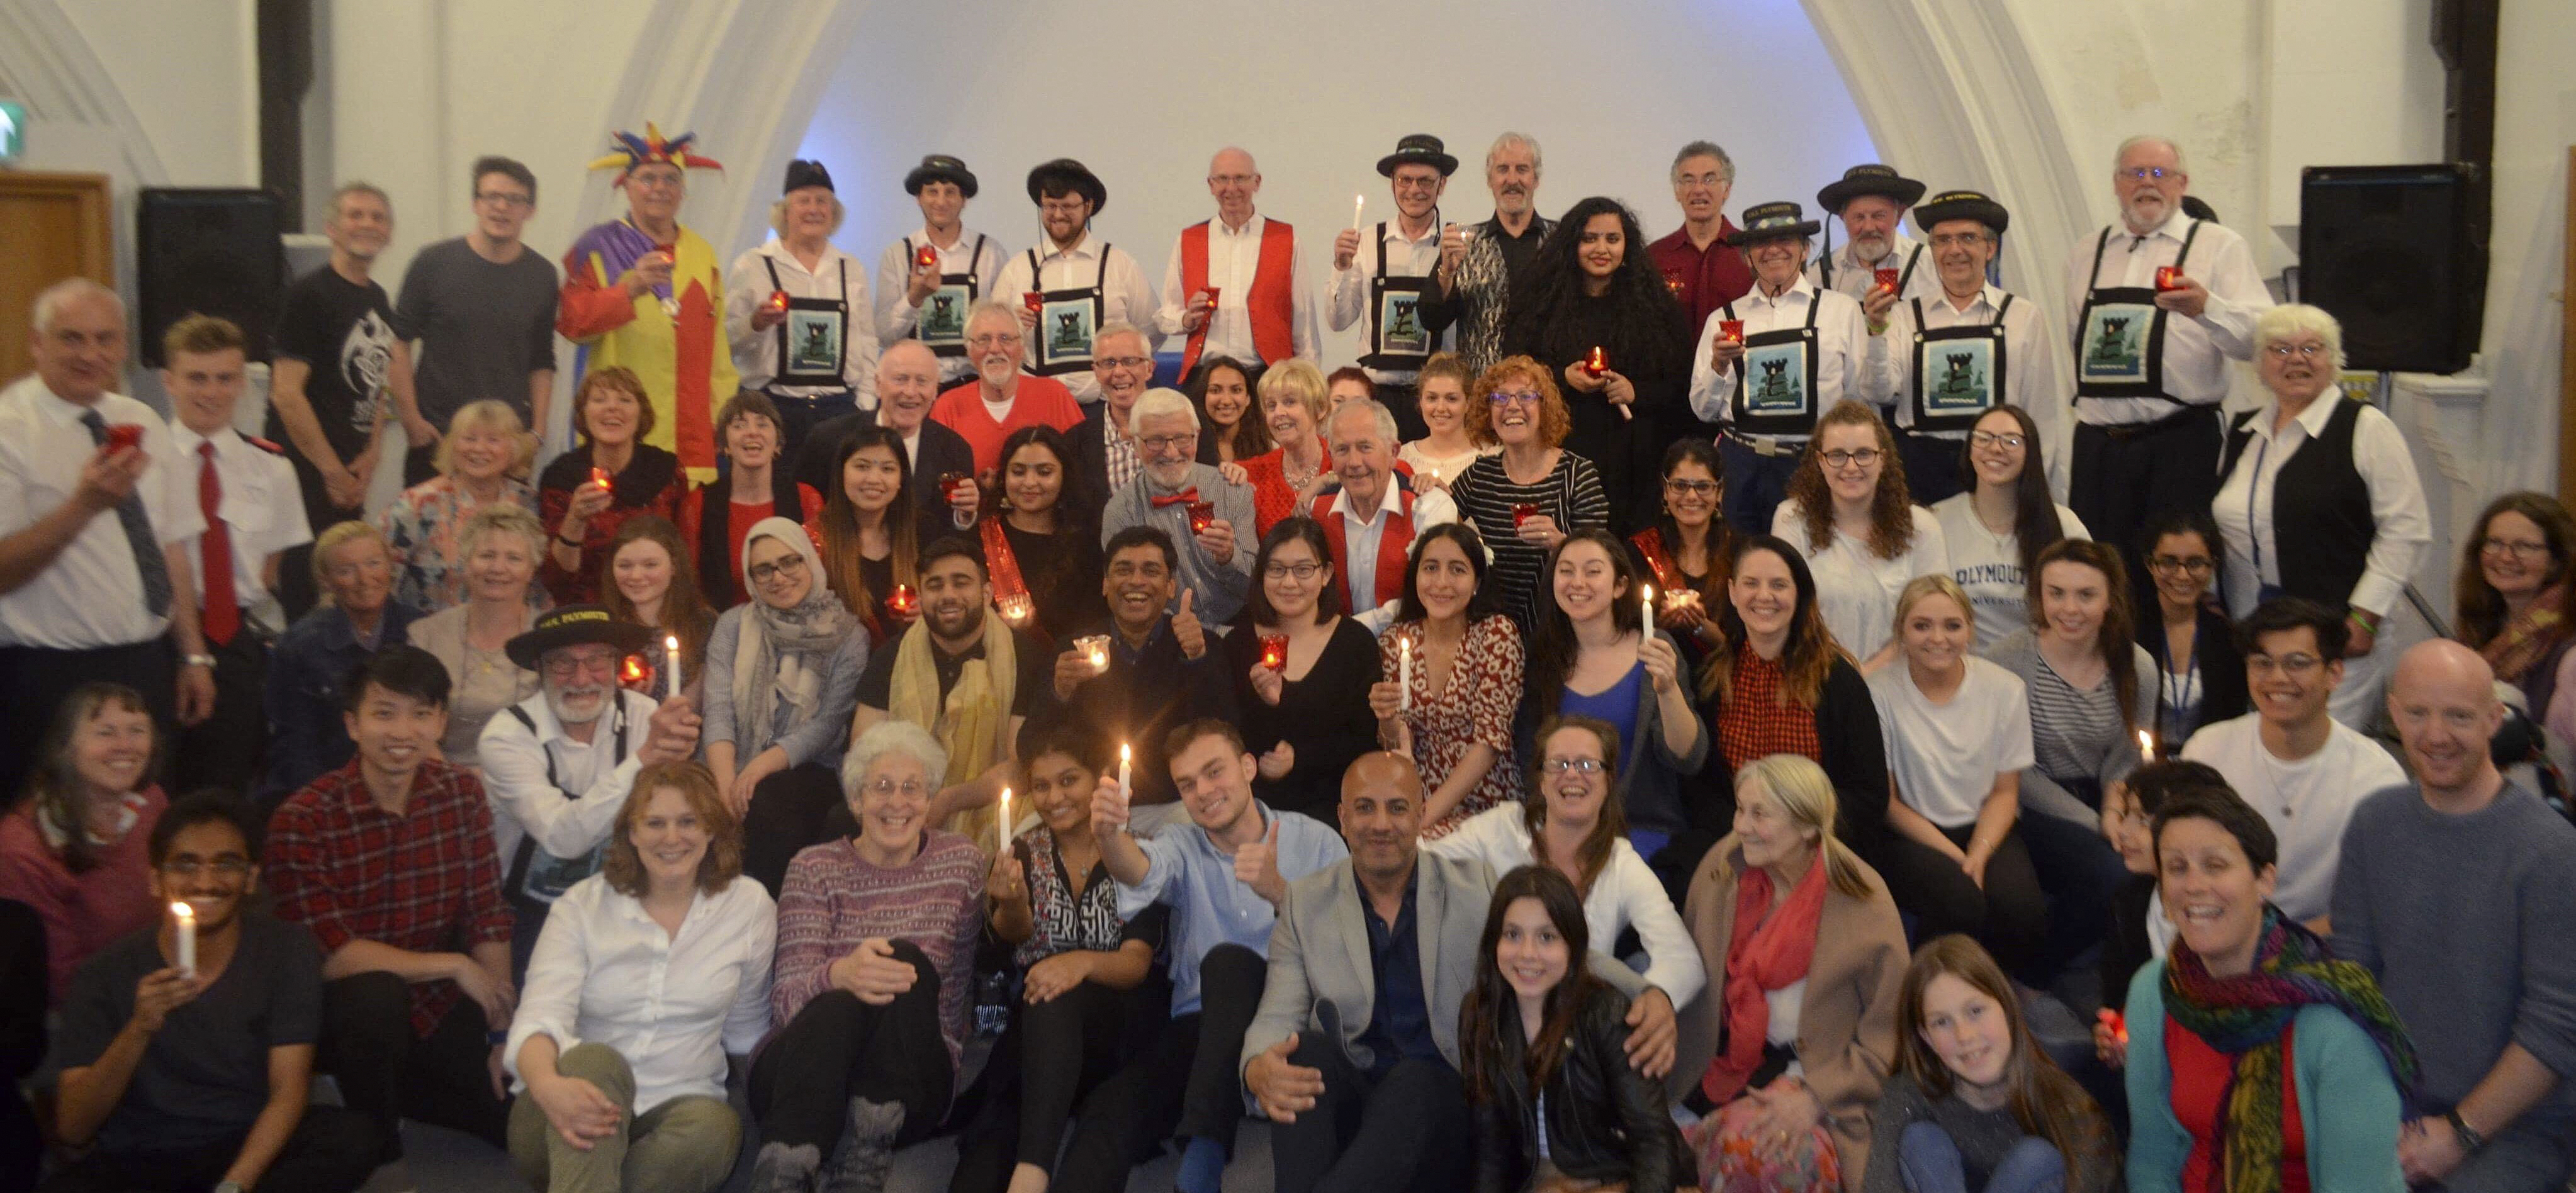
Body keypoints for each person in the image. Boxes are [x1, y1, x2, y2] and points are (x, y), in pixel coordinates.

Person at [1240, 752, 1673, 1193]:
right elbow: (1277, 1013)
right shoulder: (1305, 901)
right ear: (1342, 818)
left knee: (1413, 1080)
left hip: (1444, 1103)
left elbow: (1554, 944)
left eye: (1397, 807)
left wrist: (1647, 992)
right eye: (1364, 807)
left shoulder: (1473, 885)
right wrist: (1257, 1066)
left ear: (1422, 814)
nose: (1381, 824)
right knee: (1300, 1056)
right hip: (1361, 1096)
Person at [2332, 639, 2576, 1193]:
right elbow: (2352, 984)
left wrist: (2459, 1134)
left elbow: (2557, 1026)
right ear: (2393, 713)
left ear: (2494, 720)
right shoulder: (2374, 824)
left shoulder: (2551, 851)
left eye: (2459, 716)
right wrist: (2367, 1112)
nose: (2435, 735)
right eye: (2417, 713)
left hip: (2517, 1128)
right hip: (2394, 1107)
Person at [42, 795, 380, 1193]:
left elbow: (289, 1089)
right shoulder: (104, 974)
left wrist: (235, 1184)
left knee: (352, 1137)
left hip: (245, 1142)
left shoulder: (286, 949)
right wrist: (139, 1028)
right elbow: (73, 1127)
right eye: (186, 865)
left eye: (226, 864)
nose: (205, 883)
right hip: (143, 1155)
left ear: (251, 879)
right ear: (155, 880)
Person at [1069, 719, 1348, 1193]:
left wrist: (1282, 895)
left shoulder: (1315, 840)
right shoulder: (1181, 844)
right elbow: (1139, 871)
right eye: (1187, 784)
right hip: (1199, 1031)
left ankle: (1200, 1168)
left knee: (1229, 964)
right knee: (1109, 1109)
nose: (1202, 791)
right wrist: (1109, 836)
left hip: (1293, 1024)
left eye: (1214, 772)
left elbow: (1348, 951)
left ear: (1246, 768)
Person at [264, 645, 516, 1158]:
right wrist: (452, 964)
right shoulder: (304, 817)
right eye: (384, 714)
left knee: (509, 1110)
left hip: (437, 1000)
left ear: (441, 723)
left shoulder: (461, 796)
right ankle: (376, 1142)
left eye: (421, 715)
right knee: (375, 997)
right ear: (353, 724)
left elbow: (487, 914)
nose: (403, 733)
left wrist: (501, 1027)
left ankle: (404, 1094)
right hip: (346, 1008)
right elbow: (329, 954)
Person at [2125, 785, 2413, 1193]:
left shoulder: (2335, 1022)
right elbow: (2151, 1158)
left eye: (2215, 865)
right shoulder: (2154, 992)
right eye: (2176, 867)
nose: (2193, 885)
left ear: (2263, 880)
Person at [505, 763, 772, 1193]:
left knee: (717, 1131)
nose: (672, 838)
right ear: (631, 832)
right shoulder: (582, 906)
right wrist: (548, 1085)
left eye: (688, 822)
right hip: (564, 1108)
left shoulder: (749, 906)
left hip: (681, 1109)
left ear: (711, 831)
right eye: (655, 823)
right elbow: (539, 1018)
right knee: (598, 1061)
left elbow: (747, 1029)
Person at [746, 720, 984, 1193]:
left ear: (929, 800)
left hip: (909, 1086)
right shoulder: (814, 869)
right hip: (803, 1077)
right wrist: (841, 974)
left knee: (905, 961)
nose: (897, 802)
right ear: (855, 801)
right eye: (880, 787)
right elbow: (788, 1002)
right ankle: (783, 1173)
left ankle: (863, 1160)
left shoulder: (962, 862)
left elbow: (953, 997)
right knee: (839, 1001)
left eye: (911, 788)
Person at [0, 279, 214, 795]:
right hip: (46, 675)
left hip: (145, 665)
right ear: (37, 343)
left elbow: (172, 546)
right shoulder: (10, 428)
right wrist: (82, 507)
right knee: (47, 839)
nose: (91, 354)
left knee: (144, 827)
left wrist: (192, 655)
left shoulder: (139, 420)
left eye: (106, 339)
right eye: (72, 338)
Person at [945, 731, 1167, 1193]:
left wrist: (1079, 964)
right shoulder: (1021, 854)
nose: (1054, 798)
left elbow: (1136, 965)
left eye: (1069, 780)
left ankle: (1033, 1171)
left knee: (1053, 991)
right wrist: (1012, 905)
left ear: (1101, 781)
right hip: (1039, 1038)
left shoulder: (1140, 853)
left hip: (1118, 1032)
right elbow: (1011, 943)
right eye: (1041, 786)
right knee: (985, 1155)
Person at [1676, 753, 1908, 1193]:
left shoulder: (1863, 900)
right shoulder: (1723, 868)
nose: (1740, 826)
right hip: (1720, 1063)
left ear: (1807, 826)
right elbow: (1685, 971)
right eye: (1740, 809)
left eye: (1759, 814)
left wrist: (1816, 1095)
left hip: (1816, 1075)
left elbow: (1891, 1036)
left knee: (1770, 1156)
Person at [2064, 135, 2273, 584]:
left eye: (2158, 174)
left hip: (2178, 444)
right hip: (2100, 449)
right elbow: (2074, 340)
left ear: (2182, 183)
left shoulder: (2218, 245)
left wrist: (2208, 309)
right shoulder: (2087, 251)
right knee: (2098, 579)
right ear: (2116, 184)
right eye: (2134, 173)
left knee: (2179, 581)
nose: (2146, 184)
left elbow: (2261, 340)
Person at [2213, 303, 2430, 729]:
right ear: (2259, 365)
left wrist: (2364, 615)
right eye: (2280, 349)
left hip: (2335, 638)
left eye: (2311, 348)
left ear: (2334, 361)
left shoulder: (2366, 428)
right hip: (2252, 636)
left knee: (2318, 753)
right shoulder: (2242, 433)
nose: (2296, 359)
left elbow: (2405, 530)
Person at [480, 605, 704, 968]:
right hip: (533, 914)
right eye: (563, 663)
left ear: (617, 666)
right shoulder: (507, 736)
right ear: (540, 668)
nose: (581, 679)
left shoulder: (644, 715)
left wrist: (680, 771)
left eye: (597, 661)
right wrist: (646, 757)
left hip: (624, 898)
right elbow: (562, 837)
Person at [1431, 716, 1706, 1008]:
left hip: (1572, 1022)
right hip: (1494, 1009)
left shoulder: (1622, 864)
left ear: (1608, 781)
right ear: (1542, 782)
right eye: (1558, 764)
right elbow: (1422, 864)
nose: (1572, 775)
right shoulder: (1498, 830)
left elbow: (1683, 961)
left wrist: (1651, 1007)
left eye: (1588, 765)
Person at [1462, 863, 1692, 1193]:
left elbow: (1651, 1139)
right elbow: (1491, 1150)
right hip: (1541, 1183)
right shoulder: (1479, 1015)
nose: (1528, 954)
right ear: (1493, 943)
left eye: (1546, 937)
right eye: (1513, 935)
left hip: (1619, 1176)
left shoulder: (1608, 1013)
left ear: (1572, 946)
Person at [1865, 576, 2050, 980]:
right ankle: (1925, 994)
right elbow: (1889, 803)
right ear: (1901, 632)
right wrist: (1958, 860)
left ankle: (2004, 995)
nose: (1938, 638)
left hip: (1985, 825)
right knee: (1958, 899)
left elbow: (2006, 793)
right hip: (1909, 833)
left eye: (1952, 625)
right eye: (1922, 625)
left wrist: (1979, 854)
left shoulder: (2005, 689)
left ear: (1970, 629)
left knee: (2022, 908)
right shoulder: (1877, 692)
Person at [2178, 598, 2400, 929]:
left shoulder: (2376, 777)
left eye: (2297, 663)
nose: (2277, 678)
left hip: (2321, 951)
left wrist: (2279, 953)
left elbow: (2378, 901)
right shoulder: (2206, 751)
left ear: (2334, 674)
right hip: (2217, 934)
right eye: (2262, 663)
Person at [1694, 537, 1898, 894]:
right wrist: (1747, 833)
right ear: (1732, 591)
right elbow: (1701, 788)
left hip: (1818, 847)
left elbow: (1869, 794)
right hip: (1737, 843)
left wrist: (1792, 832)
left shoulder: (1839, 681)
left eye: (1778, 585)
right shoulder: (1712, 678)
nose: (1764, 596)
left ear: (1799, 593)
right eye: (1751, 584)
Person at [163, 314, 313, 790]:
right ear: (170, 382)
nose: (211, 392)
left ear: (243, 383)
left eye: (225, 378)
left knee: (225, 783)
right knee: (155, 782)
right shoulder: (143, 461)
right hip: (157, 640)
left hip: (233, 643)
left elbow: (271, 566)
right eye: (197, 378)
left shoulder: (270, 467)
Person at [1523, 530, 1708, 883]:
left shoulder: (1655, 649)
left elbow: (1689, 758)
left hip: (1641, 832)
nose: (1578, 583)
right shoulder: (1542, 660)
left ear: (1620, 586)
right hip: (1565, 833)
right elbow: (1529, 762)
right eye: (1566, 571)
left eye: (1593, 571)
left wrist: (1668, 690)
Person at [1866, 936, 2118, 1193]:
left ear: (2007, 1008)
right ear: (1926, 1037)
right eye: (1942, 1023)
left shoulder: (2065, 1104)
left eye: (1975, 1011)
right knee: (1924, 1143)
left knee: (2035, 1161)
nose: (1965, 1036)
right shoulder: (1908, 1095)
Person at [559, 123, 736, 484]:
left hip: (693, 439)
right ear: (626, 186)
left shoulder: (703, 253)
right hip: (620, 436)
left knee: (686, 541)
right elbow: (571, 323)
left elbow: (717, 351)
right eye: (648, 178)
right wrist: (629, 291)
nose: (660, 188)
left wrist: (723, 419)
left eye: (671, 179)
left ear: (683, 190)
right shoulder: (598, 246)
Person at [1503, 196, 1693, 531]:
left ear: (1627, 248)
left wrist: (1636, 392)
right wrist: (1561, 378)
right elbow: (1516, 372)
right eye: (1590, 239)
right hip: (1560, 454)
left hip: (1633, 461)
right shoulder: (1540, 306)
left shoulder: (1656, 309)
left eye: (1612, 239)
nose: (1601, 248)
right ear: (1572, 246)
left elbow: (1679, 386)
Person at [1688, 202, 1873, 535]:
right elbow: (1702, 411)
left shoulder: (1840, 311)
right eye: (1761, 243)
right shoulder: (1723, 318)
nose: (1773, 250)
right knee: (1743, 562)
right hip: (1741, 464)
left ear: (1804, 250)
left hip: (1812, 463)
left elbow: (1859, 399)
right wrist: (1718, 365)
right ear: (1747, 257)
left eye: (1785, 239)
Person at [1864, 191, 2059, 505]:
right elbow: (1880, 393)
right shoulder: (1903, 315)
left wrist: (2039, 488)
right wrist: (1875, 330)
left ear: (1991, 248)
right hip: (1920, 469)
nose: (1954, 250)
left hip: (1996, 465)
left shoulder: (2022, 316)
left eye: (1967, 238)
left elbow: (2041, 412)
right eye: (1942, 240)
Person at [851, 536, 1047, 849]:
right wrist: (907, 801)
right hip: (904, 802)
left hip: (991, 801)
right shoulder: (894, 657)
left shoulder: (1023, 656)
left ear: (987, 593)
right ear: (921, 596)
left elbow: (1022, 766)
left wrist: (949, 800)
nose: (948, 596)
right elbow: (863, 754)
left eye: (961, 583)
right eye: (935, 586)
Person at [708, 518, 867, 894]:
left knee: (768, 805)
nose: (778, 577)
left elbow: (828, 725)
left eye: (789, 562)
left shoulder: (848, 635)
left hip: (809, 765)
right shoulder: (733, 625)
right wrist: (726, 785)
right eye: (763, 569)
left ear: (810, 560)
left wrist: (758, 769)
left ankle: (770, 919)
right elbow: (717, 711)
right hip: (727, 762)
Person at [267, 182, 404, 619]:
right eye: (355, 215)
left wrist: (373, 453)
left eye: (377, 217)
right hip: (306, 475)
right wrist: (331, 471)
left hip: (350, 470)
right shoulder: (309, 295)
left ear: (389, 233)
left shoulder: (377, 298)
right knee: (308, 594)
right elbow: (286, 395)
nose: (367, 224)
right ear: (331, 227)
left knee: (347, 596)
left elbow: (379, 384)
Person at [1038, 526, 1236, 808]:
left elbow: (1228, 737)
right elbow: (1031, 745)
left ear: (1170, 587)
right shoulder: (1073, 651)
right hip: (1091, 805)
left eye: (1151, 571)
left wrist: (1197, 660)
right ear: (1105, 583)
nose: (1136, 581)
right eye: (1123, 570)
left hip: (1179, 805)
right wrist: (1060, 693)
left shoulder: (1202, 645)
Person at [392, 155, 558, 486]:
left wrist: (536, 433)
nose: (502, 207)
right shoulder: (433, 264)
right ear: (475, 204)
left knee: (505, 538)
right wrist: (410, 419)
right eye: (492, 197)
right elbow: (398, 344)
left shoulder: (542, 275)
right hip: (438, 440)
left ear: (530, 211)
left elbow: (542, 360)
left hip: (507, 446)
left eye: (514, 200)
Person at [0, 682, 167, 999]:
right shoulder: (22, 849)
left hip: (158, 983)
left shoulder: (152, 803)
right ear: (65, 747)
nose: (125, 746)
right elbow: (58, 978)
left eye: (137, 730)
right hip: (85, 1014)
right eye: (105, 733)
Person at [1225, 517, 1383, 830]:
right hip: (1251, 806)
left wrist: (1299, 759)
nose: (1289, 583)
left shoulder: (1355, 643)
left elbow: (1364, 739)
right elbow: (1225, 734)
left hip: (1332, 808)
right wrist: (1270, 705)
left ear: (1325, 574)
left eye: (1303, 569)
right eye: (1277, 569)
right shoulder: (1239, 643)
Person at [1371, 524, 1523, 837]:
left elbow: (1490, 744)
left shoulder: (1496, 634)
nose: (1441, 583)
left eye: (1457, 570)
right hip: (1413, 795)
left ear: (1477, 582)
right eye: (1430, 568)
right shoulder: (1396, 640)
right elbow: (1396, 742)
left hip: (1485, 800)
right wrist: (1386, 719)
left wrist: (1423, 820)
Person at [1772, 400, 1949, 668]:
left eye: (1864, 454)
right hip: (1817, 679)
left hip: (1900, 683)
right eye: (1838, 455)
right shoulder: (1791, 519)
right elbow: (1787, 613)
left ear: (1883, 459)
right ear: (1820, 460)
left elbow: (1932, 619)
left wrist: (1866, 678)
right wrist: (1844, 681)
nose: (1851, 467)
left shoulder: (1922, 527)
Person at [726, 159, 880, 463]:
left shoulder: (850, 269)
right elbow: (725, 340)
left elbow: (866, 342)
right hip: (773, 409)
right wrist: (755, 323)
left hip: (839, 409)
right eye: (804, 201)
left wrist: (864, 404)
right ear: (785, 211)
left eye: (822, 201)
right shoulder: (753, 265)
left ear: (833, 212)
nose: (814, 209)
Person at [1987, 539, 2154, 815]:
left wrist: (2113, 812)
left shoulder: (2139, 668)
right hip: (2030, 805)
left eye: (2086, 595)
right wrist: (2094, 824)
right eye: (2056, 594)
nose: (2070, 609)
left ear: (2110, 599)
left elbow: (2126, 761)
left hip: (2108, 800)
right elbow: (2015, 771)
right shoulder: (2005, 662)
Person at [259, 522, 420, 804]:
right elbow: (295, 746)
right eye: (346, 570)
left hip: (411, 788)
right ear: (326, 580)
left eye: (373, 563)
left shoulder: (421, 630)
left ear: (390, 566)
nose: (364, 578)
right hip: (330, 794)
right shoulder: (298, 646)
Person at [1448, 356, 1611, 627]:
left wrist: (1560, 543)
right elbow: (1439, 523)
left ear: (1545, 408)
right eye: (1499, 398)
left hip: (1560, 630)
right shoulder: (1480, 475)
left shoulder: (1577, 473)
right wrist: (1431, 491)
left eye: (1525, 396)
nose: (1512, 406)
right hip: (1495, 633)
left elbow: (1602, 562)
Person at [991, 158, 1159, 405]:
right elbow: (991, 340)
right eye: (1050, 206)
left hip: (1105, 406)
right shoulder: (1017, 269)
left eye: (1068, 206)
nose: (1058, 215)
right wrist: (1010, 329)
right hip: (1037, 405)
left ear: (1088, 207)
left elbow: (1150, 332)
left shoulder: (1119, 265)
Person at [1331, 134, 1463, 441]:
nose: (1414, 190)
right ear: (1392, 182)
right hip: (1377, 396)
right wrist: (1342, 266)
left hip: (1434, 402)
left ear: (1442, 185)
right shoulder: (1365, 242)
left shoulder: (1455, 248)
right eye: (1405, 179)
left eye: (1425, 181)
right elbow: (1338, 322)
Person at [1930, 405, 2086, 652]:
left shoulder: (2065, 525)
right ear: (1969, 449)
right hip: (1960, 669)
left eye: (2011, 441)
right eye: (1984, 438)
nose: (1996, 448)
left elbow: (2091, 605)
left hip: (2042, 670)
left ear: (2030, 453)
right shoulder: (1935, 521)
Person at [1157, 147, 1319, 380]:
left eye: (1240, 178)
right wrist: (1186, 319)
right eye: (1222, 179)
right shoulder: (1188, 240)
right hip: (1205, 377)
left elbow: (1304, 324)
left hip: (1267, 377)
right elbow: (1166, 314)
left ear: (1257, 182)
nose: (1231, 188)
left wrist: (1308, 380)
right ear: (1211, 185)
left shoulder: (1287, 240)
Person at [1098, 388, 1257, 625]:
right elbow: (1125, 597)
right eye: (1155, 440)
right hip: (1165, 638)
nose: (1171, 452)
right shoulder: (1120, 511)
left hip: (1241, 629)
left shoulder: (1232, 489)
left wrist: (1228, 557)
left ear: (1197, 435)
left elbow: (1257, 588)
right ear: (1133, 443)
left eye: (1182, 438)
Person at [407, 502, 546, 771]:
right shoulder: (426, 636)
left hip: (530, 780)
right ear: (466, 562)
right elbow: (413, 724)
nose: (498, 568)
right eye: (487, 556)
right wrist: (459, 785)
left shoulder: (550, 636)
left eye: (514, 558)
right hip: (443, 783)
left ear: (532, 570)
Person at [2094, 759, 2227, 1038]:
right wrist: (2115, 1034)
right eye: (2126, 815)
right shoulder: (2128, 902)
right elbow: (2119, 998)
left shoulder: (2227, 912)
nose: (2123, 831)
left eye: (2142, 820)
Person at [539, 366, 686, 604]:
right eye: (599, 400)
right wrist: (575, 519)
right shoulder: (561, 476)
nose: (612, 407)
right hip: (584, 613)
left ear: (642, 414)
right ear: (583, 413)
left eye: (625, 400)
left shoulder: (666, 471)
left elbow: (684, 554)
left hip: (655, 608)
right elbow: (556, 579)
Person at [377, 398, 539, 614]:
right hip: (427, 637)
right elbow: (380, 580)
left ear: (514, 449)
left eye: (493, 440)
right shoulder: (416, 505)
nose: (480, 449)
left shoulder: (528, 504)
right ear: (452, 446)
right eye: (469, 439)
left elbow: (538, 587)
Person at [793, 340, 981, 524]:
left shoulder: (955, 450)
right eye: (901, 379)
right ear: (877, 385)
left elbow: (953, 530)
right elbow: (803, 515)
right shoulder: (828, 439)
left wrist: (963, 518)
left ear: (935, 391)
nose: (910, 392)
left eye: (922, 382)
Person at [1312, 398, 1457, 629]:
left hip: (1415, 648)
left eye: (1365, 447)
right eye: (1342, 450)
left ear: (1394, 452)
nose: (1354, 462)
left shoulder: (1430, 508)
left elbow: (1433, 593)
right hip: (1335, 650)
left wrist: (1350, 632)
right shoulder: (1317, 510)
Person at [1422, 132, 1555, 376]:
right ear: (1490, 180)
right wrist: (1447, 273)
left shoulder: (1560, 242)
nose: (1512, 179)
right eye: (1503, 169)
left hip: (1545, 393)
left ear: (1536, 179)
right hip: (1482, 393)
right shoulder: (1464, 242)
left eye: (1522, 169)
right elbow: (1432, 320)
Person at [677, 391, 824, 607]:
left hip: (796, 625)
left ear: (778, 444)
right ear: (725, 445)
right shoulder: (698, 504)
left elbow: (819, 577)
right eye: (739, 425)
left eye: (762, 424)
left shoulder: (806, 498)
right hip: (722, 627)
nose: (752, 432)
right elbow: (689, 588)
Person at [877, 154, 1008, 388]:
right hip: (914, 387)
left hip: (973, 386)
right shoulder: (897, 255)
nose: (941, 201)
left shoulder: (990, 253)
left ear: (963, 199)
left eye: (950, 192)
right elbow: (885, 336)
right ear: (918, 197)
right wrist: (914, 298)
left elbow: (1003, 327)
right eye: (932, 191)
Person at [2455, 492, 2576, 742]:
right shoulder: (2482, 628)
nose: (2506, 557)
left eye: (2524, 546)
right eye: (2495, 543)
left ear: (2556, 560)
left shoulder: (2570, 648)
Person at [931, 301, 1088, 475]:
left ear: (1021, 348)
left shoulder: (1055, 395)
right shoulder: (947, 407)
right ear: (969, 351)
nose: (995, 349)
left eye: (1005, 339)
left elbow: (1083, 467)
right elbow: (938, 480)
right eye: (984, 340)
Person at [811, 423, 938, 636]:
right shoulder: (814, 539)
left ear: (901, 480)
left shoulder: (924, 532)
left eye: (887, 469)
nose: (873, 479)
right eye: (862, 467)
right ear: (841, 473)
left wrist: (931, 610)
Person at [2137, 508, 2245, 751]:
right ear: (2149, 564)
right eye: (2168, 562)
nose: (2182, 575)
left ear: (2212, 566)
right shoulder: (2127, 631)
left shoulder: (2227, 637)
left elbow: (2232, 722)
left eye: (2195, 563)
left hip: (2210, 769)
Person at [987, 423, 1102, 643]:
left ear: (1064, 476)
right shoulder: (981, 537)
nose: (1030, 483)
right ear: (1004, 476)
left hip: (1063, 668)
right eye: (1018, 472)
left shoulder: (1086, 544)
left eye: (1044, 472)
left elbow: (1092, 626)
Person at [1069, 327, 1196, 521]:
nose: (1119, 372)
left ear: (1150, 368)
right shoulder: (1074, 442)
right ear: (1096, 371)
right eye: (1108, 363)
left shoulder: (1188, 426)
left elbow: (1206, 489)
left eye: (1130, 361)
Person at [1632, 439, 1733, 665]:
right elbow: (1625, 638)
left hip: (1726, 684)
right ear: (1666, 490)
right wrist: (1659, 626)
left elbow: (1749, 651)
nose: (1691, 496)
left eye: (1703, 486)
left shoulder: (1741, 555)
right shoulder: (1639, 552)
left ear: (1720, 492)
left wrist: (1702, 628)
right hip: (1656, 681)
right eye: (1680, 485)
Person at [599, 514, 715, 702]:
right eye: (625, 566)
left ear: (674, 567)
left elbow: (695, 705)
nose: (636, 576)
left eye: (650, 565)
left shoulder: (702, 625)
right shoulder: (600, 627)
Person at [1648, 140, 1754, 345]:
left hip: (1739, 373)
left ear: (1727, 189)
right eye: (1688, 181)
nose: (1698, 190)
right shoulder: (1654, 257)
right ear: (1677, 192)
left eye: (1709, 179)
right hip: (1670, 375)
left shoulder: (1752, 253)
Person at [1808, 164, 1937, 306]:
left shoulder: (1932, 266)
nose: (1869, 227)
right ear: (1842, 217)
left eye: (1879, 216)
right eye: (1859, 217)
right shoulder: (1818, 276)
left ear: (1899, 215)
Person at [1240, 360, 1332, 536]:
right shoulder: (1254, 473)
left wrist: (1327, 480)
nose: (1279, 413)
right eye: (1271, 406)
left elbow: (1392, 470)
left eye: (1289, 402)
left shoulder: (1340, 461)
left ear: (1320, 409)